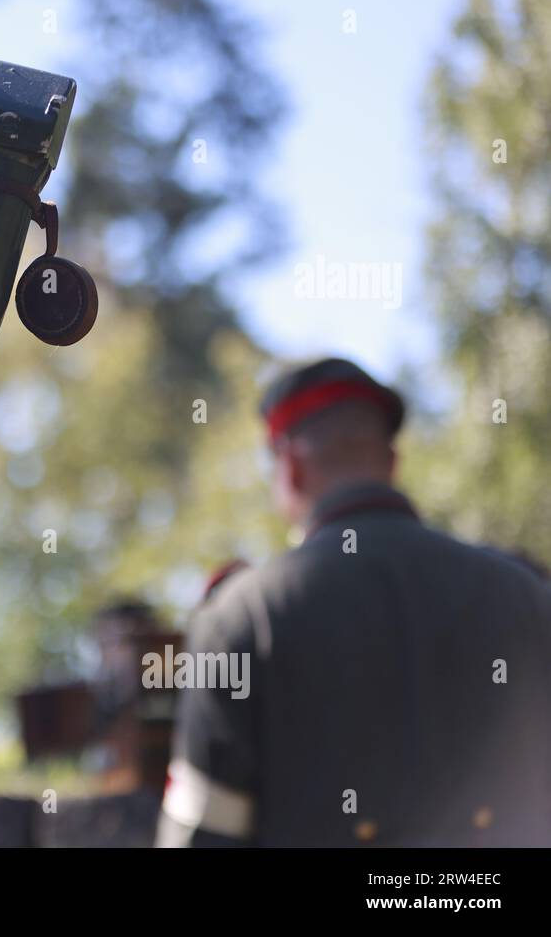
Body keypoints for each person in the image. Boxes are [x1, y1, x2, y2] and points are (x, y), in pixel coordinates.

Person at [157, 357, 551, 846]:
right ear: (391, 462)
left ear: (292, 468)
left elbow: (203, 834)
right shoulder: (527, 597)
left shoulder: (241, 618)